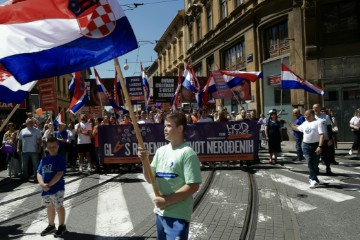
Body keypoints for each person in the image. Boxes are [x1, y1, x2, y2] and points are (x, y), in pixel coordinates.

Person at [137, 113, 202, 240]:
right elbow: (150, 179)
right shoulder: (161, 151)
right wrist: (144, 161)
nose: (165, 129)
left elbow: (193, 186)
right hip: (160, 213)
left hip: (178, 215)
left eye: (168, 125)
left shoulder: (188, 153)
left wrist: (166, 201)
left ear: (180, 128)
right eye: (164, 126)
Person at [37, 137, 67, 237]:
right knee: (49, 207)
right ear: (47, 148)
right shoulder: (44, 159)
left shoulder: (60, 159)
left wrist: (48, 185)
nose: (52, 148)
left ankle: (62, 226)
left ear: (58, 147)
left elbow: (59, 173)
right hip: (45, 189)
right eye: (50, 147)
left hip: (56, 188)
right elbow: (39, 173)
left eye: (54, 146)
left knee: (58, 207)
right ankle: (51, 225)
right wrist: (41, 184)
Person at [289, 109, 324, 188]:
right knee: (309, 162)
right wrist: (288, 124)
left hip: (316, 145)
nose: (304, 117)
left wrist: (320, 146)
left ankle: (313, 178)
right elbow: (297, 128)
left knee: (315, 164)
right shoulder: (305, 123)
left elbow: (322, 135)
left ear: (311, 115)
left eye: (306, 115)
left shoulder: (318, 123)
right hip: (306, 145)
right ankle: (313, 179)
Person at [313, 104, 336, 175]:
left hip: (325, 139)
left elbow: (329, 128)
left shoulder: (326, 117)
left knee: (326, 155)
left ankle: (328, 168)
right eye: (314, 108)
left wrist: (330, 138)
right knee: (315, 156)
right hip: (315, 140)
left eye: (316, 107)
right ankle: (316, 168)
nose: (315, 109)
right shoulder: (311, 117)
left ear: (319, 108)